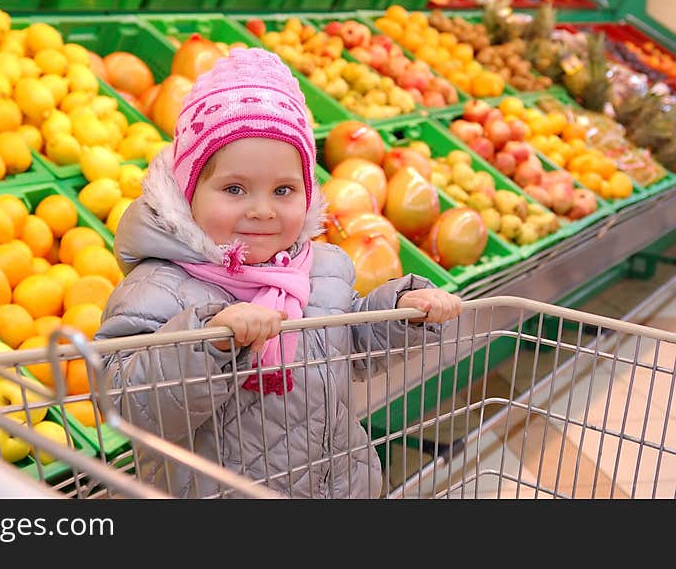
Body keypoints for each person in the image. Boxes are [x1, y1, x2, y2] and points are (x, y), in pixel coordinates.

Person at [94, 47, 462, 498]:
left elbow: (350, 346)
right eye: (234, 189)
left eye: (284, 190)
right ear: (189, 191)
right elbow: (122, 400)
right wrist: (209, 343)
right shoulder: (159, 287)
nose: (263, 210)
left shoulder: (322, 268)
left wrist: (402, 313)